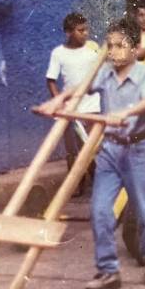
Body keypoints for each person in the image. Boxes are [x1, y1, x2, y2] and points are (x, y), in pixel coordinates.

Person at [35, 17, 145, 289]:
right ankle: (108, 270)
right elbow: (79, 88)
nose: (113, 51)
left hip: (137, 150)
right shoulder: (105, 73)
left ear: (134, 49)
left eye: (120, 46)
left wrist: (126, 112)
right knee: (100, 211)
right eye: (110, 46)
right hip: (110, 151)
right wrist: (58, 100)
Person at [45, 12, 100, 196]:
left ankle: (98, 183)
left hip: (93, 107)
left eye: (86, 29)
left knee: (91, 147)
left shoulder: (93, 50)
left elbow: (103, 73)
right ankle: (77, 186)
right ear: (68, 32)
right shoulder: (58, 53)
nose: (85, 33)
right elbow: (51, 80)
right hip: (71, 109)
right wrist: (58, 101)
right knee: (73, 151)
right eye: (80, 30)